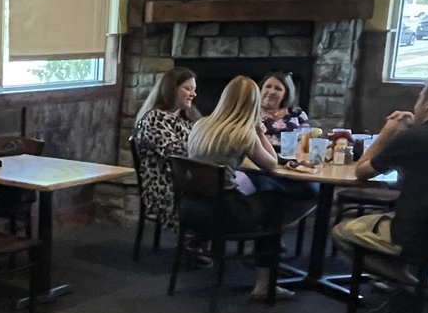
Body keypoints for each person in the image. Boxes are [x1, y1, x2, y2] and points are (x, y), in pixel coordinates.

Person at [332, 76, 428, 313]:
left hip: (420, 236)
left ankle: (414, 289)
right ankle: (404, 294)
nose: (417, 103)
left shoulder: (415, 137)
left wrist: (388, 131)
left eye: (420, 97)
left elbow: (361, 172)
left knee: (343, 232)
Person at [187, 75, 315, 301]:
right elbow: (272, 164)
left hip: (193, 209)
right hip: (226, 212)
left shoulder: (200, 125)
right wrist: (258, 131)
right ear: (253, 103)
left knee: (268, 195)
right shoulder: (243, 133)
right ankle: (264, 285)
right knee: (274, 205)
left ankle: (267, 262)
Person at [132, 67, 209, 266]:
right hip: (163, 185)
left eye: (194, 89)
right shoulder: (155, 119)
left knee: (226, 186)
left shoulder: (184, 117)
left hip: (184, 179)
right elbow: (176, 153)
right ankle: (193, 243)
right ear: (171, 89)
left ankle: (199, 241)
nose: (193, 93)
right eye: (187, 88)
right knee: (214, 193)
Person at [259, 71, 310, 144]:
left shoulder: (296, 112)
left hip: (292, 154)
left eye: (278, 89)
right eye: (268, 86)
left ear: (286, 94)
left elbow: (306, 140)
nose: (272, 92)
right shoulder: (251, 111)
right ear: (261, 89)